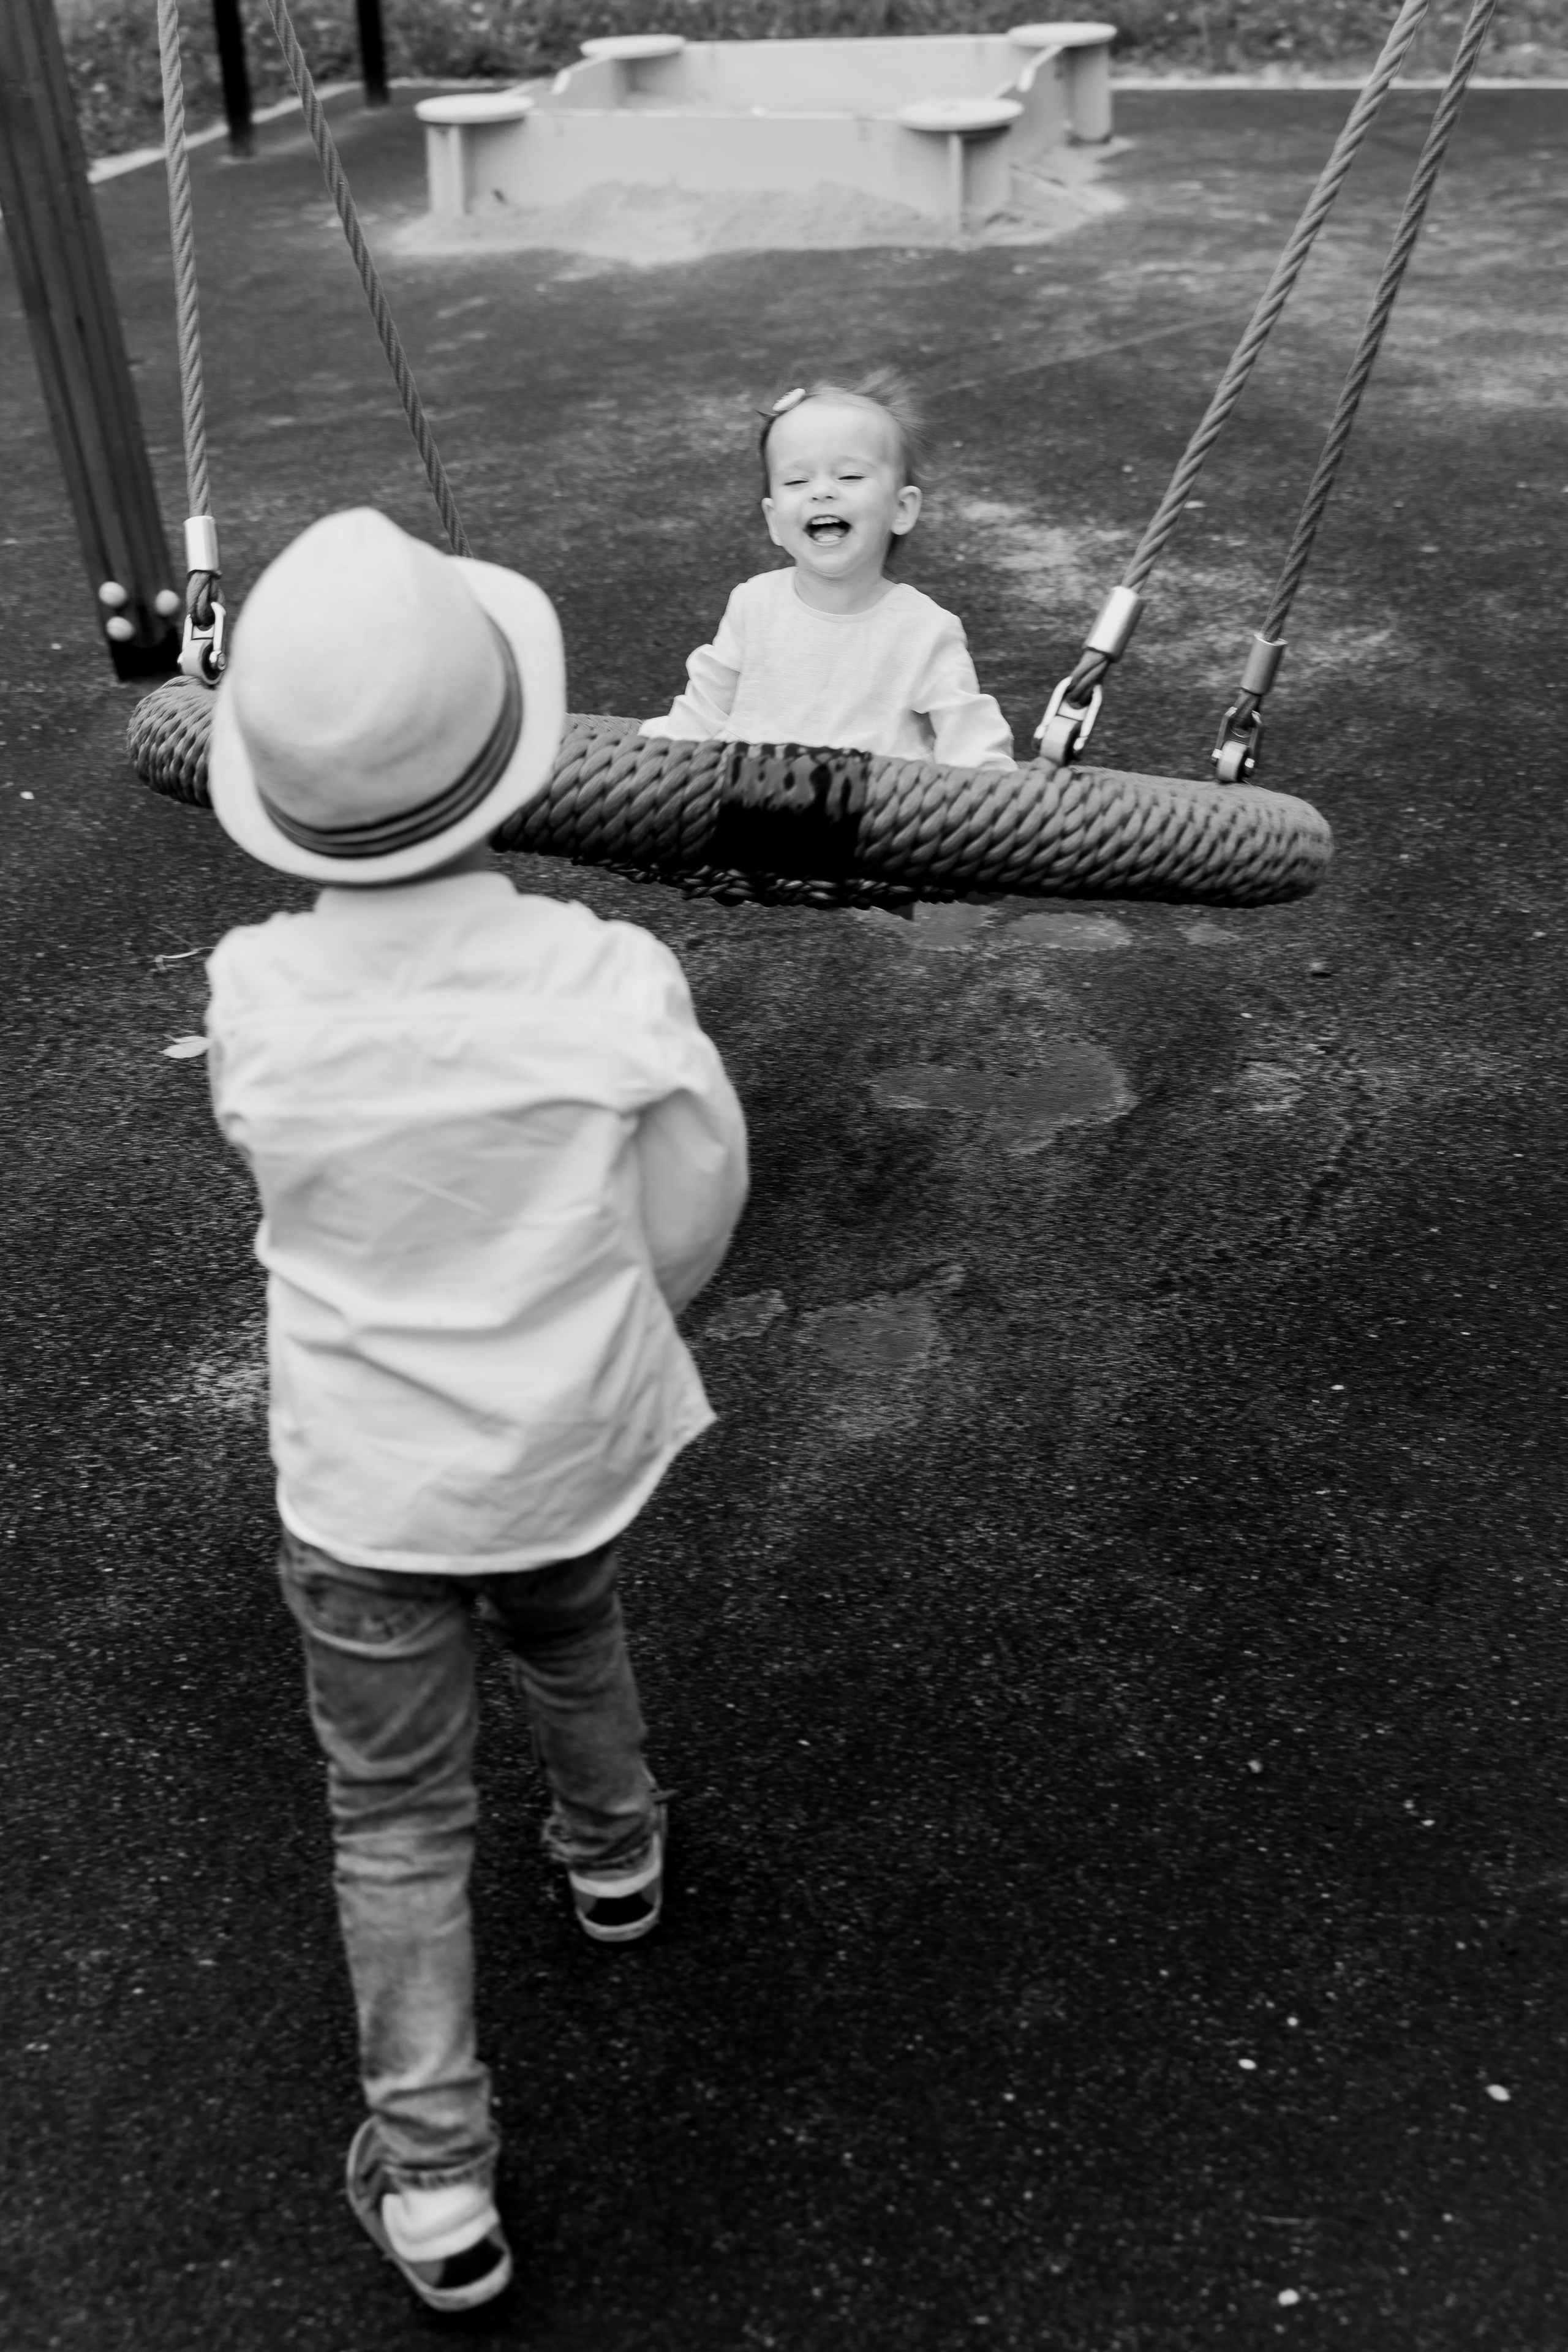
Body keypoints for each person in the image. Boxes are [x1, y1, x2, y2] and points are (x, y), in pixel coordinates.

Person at [203, 508, 749, 2314]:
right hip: (560, 1446)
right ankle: (615, 1851)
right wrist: (615, 1317)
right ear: (514, 764)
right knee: (570, 1627)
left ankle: (435, 2176)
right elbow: (698, 1180)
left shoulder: (255, 997)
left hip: (362, 1486)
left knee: (393, 1812)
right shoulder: (606, 978)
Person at [642, 369, 1015, 769]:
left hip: (874, 815)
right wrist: (658, 764)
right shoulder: (754, 604)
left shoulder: (923, 630)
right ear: (773, 520)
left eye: (850, 475)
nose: (821, 491)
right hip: (750, 801)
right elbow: (703, 710)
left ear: (901, 509)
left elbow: (972, 742)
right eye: (797, 480)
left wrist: (989, 804)